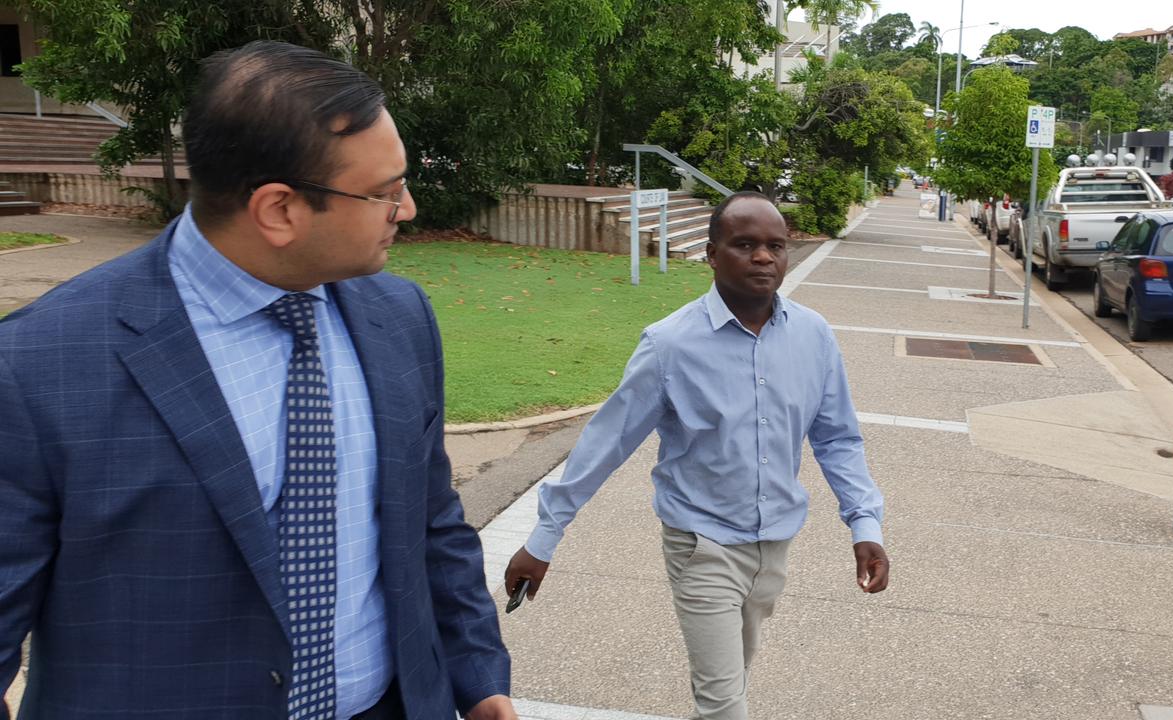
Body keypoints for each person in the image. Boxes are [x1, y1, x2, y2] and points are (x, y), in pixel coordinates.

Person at [0, 41, 514, 720]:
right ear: (278, 210)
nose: (409, 209)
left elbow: (432, 522)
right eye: (386, 193)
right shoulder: (39, 367)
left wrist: (479, 680)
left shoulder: (401, 318)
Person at [504, 192, 889, 720]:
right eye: (745, 244)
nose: (763, 258)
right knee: (725, 705)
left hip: (774, 545)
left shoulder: (813, 335)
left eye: (775, 246)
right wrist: (544, 538)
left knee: (729, 684)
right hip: (701, 545)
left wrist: (865, 525)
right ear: (711, 254)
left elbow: (838, 439)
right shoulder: (669, 345)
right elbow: (606, 443)